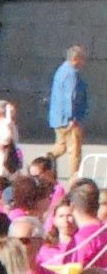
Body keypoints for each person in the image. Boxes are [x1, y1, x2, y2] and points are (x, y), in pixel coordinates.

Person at [49, 46, 89, 181]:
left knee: (61, 146)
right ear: (75, 59)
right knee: (74, 149)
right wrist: (71, 117)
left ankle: (46, 158)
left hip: (58, 117)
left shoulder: (61, 70)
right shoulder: (71, 73)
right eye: (82, 59)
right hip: (69, 119)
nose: (83, 62)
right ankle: (74, 177)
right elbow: (70, 96)